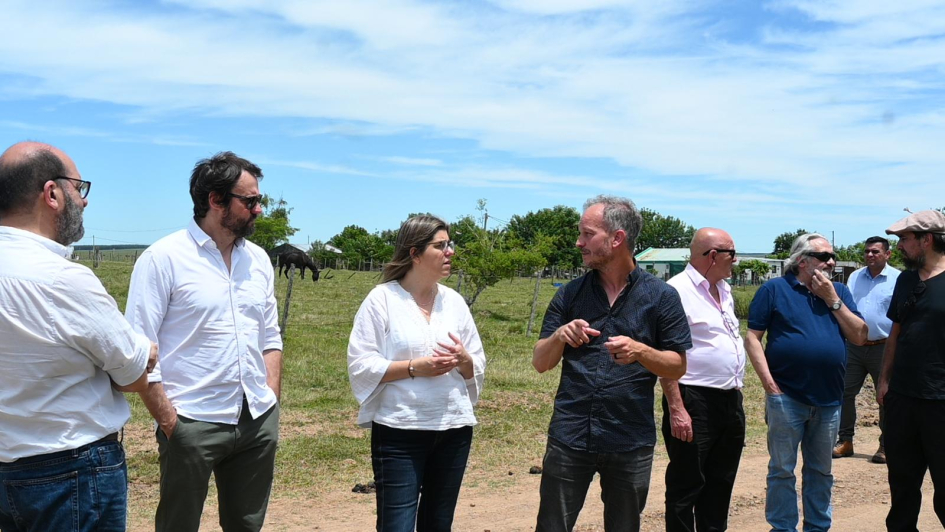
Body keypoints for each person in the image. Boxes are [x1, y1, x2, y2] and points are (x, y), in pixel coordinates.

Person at [0, 141, 157, 531]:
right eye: (79, 188)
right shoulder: (63, 280)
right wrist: (142, 353)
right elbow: (135, 375)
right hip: (70, 470)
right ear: (52, 194)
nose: (83, 201)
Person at [125, 152, 283, 532]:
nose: (258, 209)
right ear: (215, 200)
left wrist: (270, 397)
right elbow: (136, 349)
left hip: (255, 418)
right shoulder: (163, 259)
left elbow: (270, 335)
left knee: (247, 525)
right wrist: (169, 420)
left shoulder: (259, 260)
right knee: (178, 525)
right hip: (191, 421)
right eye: (250, 201)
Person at [532, 195, 691, 532]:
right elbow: (540, 362)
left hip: (629, 439)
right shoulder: (570, 294)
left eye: (587, 234)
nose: (579, 242)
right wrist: (560, 335)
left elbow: (677, 365)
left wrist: (641, 352)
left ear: (617, 239)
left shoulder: (661, 297)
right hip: (570, 436)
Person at [347, 214, 486, 532]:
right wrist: (414, 368)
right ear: (414, 252)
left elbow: (475, 363)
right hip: (399, 431)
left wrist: (464, 360)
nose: (450, 251)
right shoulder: (382, 300)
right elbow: (360, 364)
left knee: (438, 524)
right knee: (396, 525)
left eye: (450, 244)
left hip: (454, 429)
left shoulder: (454, 302)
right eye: (441, 245)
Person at [745, 233, 867, 532]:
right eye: (825, 256)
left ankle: (817, 527)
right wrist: (770, 386)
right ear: (802, 261)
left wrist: (832, 300)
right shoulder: (774, 289)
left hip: (829, 399)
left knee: (821, 472)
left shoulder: (839, 291)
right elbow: (752, 339)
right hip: (787, 398)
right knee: (782, 471)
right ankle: (783, 528)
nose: (832, 262)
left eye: (832, 256)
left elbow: (860, 335)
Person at [661, 228, 746, 532]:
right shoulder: (676, 291)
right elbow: (665, 352)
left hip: (730, 400)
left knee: (720, 484)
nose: (735, 260)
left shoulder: (723, 289)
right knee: (687, 485)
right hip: (693, 399)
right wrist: (676, 407)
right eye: (731, 254)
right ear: (712, 256)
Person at [877, 210, 945, 531]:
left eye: (904, 239)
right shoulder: (905, 280)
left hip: (941, 402)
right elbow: (896, 332)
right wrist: (884, 380)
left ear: (926, 239)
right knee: (902, 486)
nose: (900, 246)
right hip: (903, 398)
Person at [833, 236, 899, 464]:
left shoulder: (897, 279)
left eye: (876, 252)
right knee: (844, 392)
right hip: (854, 346)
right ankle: (845, 441)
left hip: (884, 346)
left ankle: (886, 445)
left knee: (885, 396)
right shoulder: (854, 277)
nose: (870, 255)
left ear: (887, 254)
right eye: (867, 252)